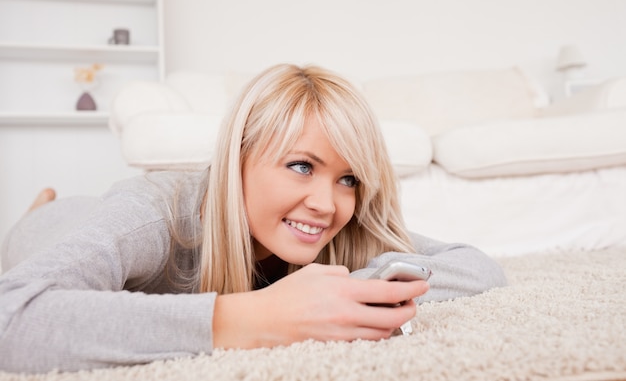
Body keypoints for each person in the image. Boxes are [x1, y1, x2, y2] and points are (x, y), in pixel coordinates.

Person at [0, 64, 506, 373]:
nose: (327, 204)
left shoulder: (337, 225)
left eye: (347, 178)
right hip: (55, 229)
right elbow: (12, 319)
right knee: (48, 233)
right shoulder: (150, 216)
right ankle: (39, 207)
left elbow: (478, 267)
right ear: (236, 160)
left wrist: (355, 291)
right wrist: (255, 318)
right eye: (301, 166)